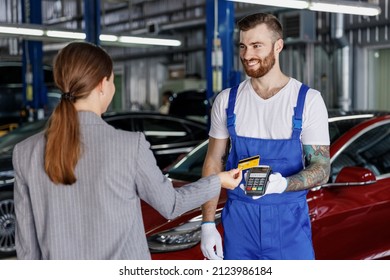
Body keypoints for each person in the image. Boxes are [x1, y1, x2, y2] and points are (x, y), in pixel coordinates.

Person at [13, 41, 242, 260]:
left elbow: (27, 249)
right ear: (102, 85)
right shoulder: (129, 146)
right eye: (112, 81)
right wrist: (218, 181)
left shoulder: (25, 153)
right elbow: (171, 205)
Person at [200, 13, 330, 260]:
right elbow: (213, 162)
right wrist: (207, 223)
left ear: (278, 46)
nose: (247, 55)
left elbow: (322, 168)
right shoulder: (227, 101)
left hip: (289, 226)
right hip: (239, 225)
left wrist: (283, 184)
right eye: (243, 46)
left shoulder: (307, 101)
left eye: (257, 46)